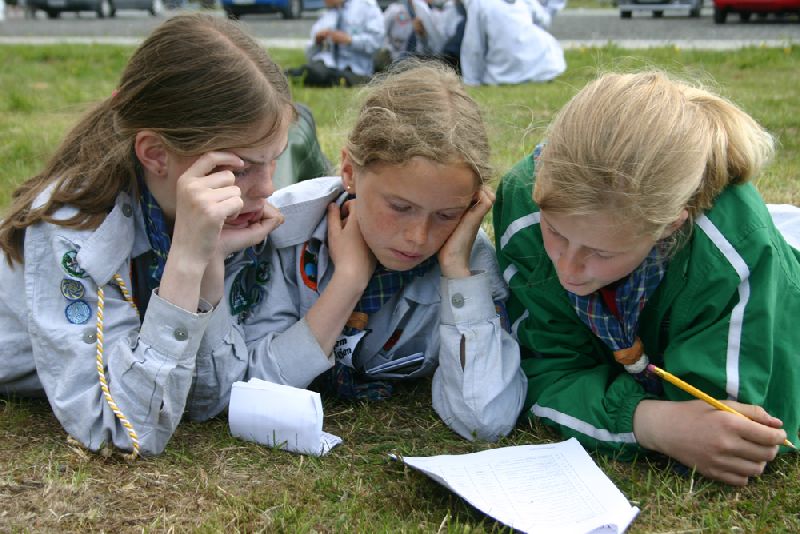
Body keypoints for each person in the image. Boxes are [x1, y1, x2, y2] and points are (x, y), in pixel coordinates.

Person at [0, 14, 292, 457]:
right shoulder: (75, 231)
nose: (267, 187)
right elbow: (122, 431)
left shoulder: (206, 210)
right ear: (156, 154)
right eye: (243, 167)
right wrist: (187, 261)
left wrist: (210, 263)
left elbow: (210, 399)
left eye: (274, 161)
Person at [493, 70, 800, 485]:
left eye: (601, 252)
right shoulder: (526, 202)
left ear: (670, 227)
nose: (567, 269)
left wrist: (661, 418)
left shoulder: (733, 250)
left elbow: (728, 431)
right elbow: (545, 373)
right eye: (556, 233)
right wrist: (649, 423)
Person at [244, 61, 527, 442]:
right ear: (349, 171)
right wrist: (348, 281)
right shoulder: (282, 230)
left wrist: (458, 276)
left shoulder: (468, 264)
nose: (417, 237)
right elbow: (256, 389)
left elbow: (484, 419)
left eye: (446, 214)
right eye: (399, 207)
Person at [460, 0, 565, 86]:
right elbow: (544, 20)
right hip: (545, 64)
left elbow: (474, 46)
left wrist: (471, 81)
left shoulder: (478, 3)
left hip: (504, 72)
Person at [290, 0, 384, 87]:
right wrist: (317, 42)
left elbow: (377, 43)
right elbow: (309, 55)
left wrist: (350, 40)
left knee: (336, 77)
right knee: (313, 71)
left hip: (355, 69)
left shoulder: (366, 7)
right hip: (328, 65)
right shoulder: (327, 13)